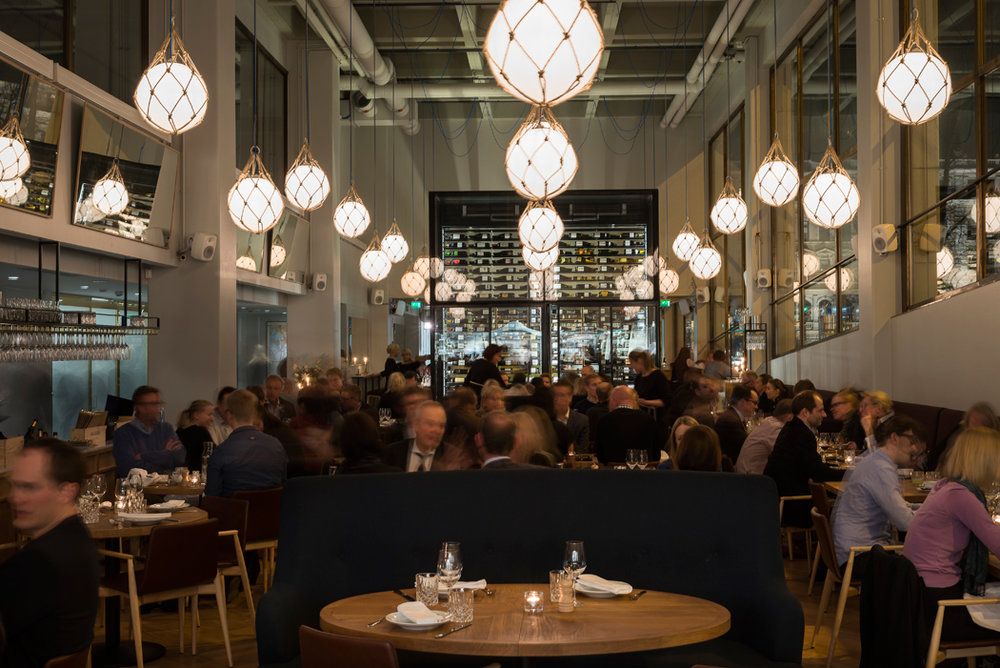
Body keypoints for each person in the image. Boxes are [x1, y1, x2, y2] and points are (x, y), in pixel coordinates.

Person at [0, 439, 99, 667]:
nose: (14, 497)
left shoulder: (38, 561)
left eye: (29, 487)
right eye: (13, 485)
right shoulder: (78, 538)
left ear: (66, 491)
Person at [904, 428, 1000, 642]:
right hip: (938, 605)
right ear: (984, 461)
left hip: (919, 592)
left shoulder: (946, 486)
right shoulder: (960, 496)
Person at [831, 416, 927, 574]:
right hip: (857, 555)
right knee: (926, 565)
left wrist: (927, 509)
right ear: (894, 438)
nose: (915, 449)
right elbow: (904, 522)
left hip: (850, 549)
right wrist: (934, 516)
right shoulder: (881, 469)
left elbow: (899, 507)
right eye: (912, 442)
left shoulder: (874, 459)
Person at [763, 390, 845, 527]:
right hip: (792, 506)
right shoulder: (802, 434)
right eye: (820, 410)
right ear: (805, 412)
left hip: (776, 500)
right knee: (844, 505)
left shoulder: (791, 427)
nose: (824, 415)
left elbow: (813, 467)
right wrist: (850, 473)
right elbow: (819, 473)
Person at [205, 389, 288, 497]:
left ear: (229, 415)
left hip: (234, 507)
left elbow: (211, 495)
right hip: (273, 507)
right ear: (254, 415)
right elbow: (283, 482)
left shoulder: (222, 451)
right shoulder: (276, 445)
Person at [112, 385, 185, 477]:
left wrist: (143, 456)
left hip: (166, 484)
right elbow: (129, 468)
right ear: (138, 407)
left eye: (158, 403)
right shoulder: (123, 433)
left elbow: (179, 457)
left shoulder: (166, 429)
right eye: (152, 404)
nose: (157, 408)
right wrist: (165, 456)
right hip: (137, 485)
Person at [594, 386, 660, 464]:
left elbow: (600, 454)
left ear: (614, 400)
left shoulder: (604, 421)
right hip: (643, 469)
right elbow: (656, 453)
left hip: (611, 470)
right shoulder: (648, 419)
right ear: (634, 400)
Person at [384, 400, 447, 472]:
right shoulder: (392, 452)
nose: (437, 430)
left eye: (441, 426)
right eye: (430, 424)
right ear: (415, 425)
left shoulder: (450, 456)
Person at [735, 399, 794, 474]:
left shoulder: (769, 422)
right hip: (750, 477)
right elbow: (789, 455)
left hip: (745, 472)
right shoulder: (775, 429)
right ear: (790, 418)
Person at [713, 384, 758, 464]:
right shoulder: (730, 421)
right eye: (754, 403)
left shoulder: (732, 416)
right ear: (743, 402)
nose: (756, 407)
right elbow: (747, 446)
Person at [628, 350, 671, 418]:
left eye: (631, 363)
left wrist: (646, 402)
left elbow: (666, 401)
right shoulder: (639, 377)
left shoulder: (658, 376)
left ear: (639, 361)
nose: (631, 366)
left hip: (656, 416)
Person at [176, 399, 215, 472]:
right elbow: (215, 454)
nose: (212, 419)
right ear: (196, 415)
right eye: (209, 414)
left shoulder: (179, 432)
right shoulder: (201, 432)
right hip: (198, 475)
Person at [552, 381, 589, 452]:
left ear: (570, 398)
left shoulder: (581, 420)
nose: (556, 399)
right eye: (554, 395)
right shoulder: (545, 419)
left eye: (561, 395)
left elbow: (582, 449)